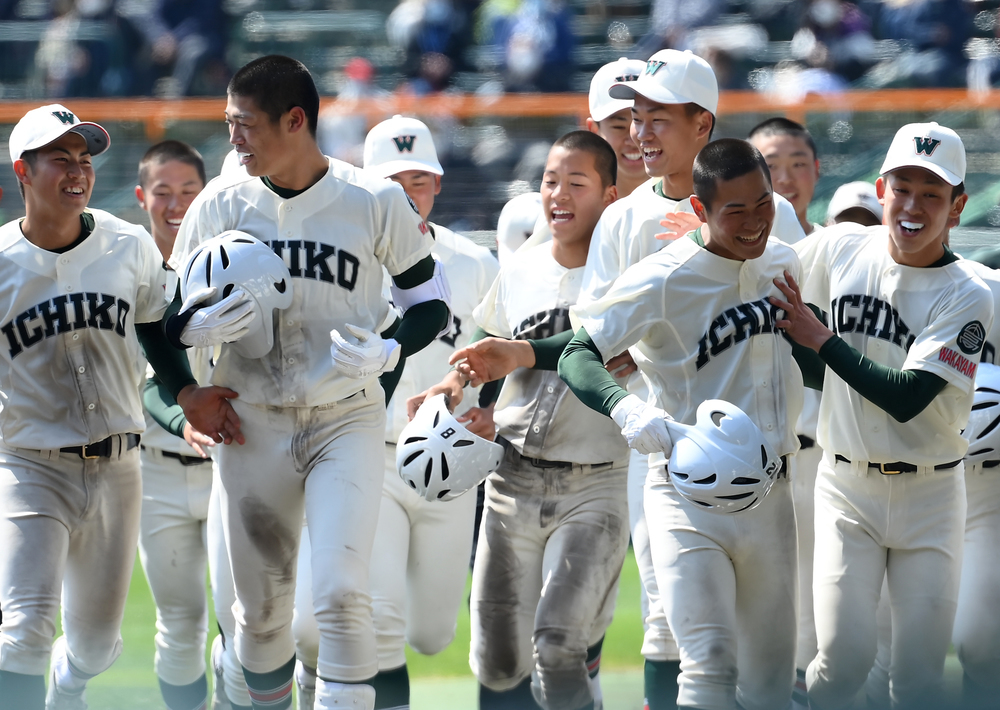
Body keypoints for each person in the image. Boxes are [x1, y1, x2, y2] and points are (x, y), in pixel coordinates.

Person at [165, 55, 449, 710]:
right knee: (260, 619)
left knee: (343, 594)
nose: (234, 140)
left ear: (296, 121)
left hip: (342, 416)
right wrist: (194, 333)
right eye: (229, 123)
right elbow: (167, 316)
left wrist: (391, 349)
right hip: (251, 421)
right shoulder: (220, 201)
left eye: (246, 125)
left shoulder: (372, 199)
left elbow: (428, 304)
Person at [0, 104, 235, 710]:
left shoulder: (127, 245)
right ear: (23, 172)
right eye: (60, 159)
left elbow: (157, 332)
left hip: (118, 466)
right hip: (29, 466)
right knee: (24, 627)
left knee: (96, 644)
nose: (77, 171)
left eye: (84, 160)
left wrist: (185, 393)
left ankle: (69, 683)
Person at [559, 138, 804, 710]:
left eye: (763, 203)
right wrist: (627, 407)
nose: (754, 222)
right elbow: (578, 353)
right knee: (708, 663)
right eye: (734, 210)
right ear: (699, 210)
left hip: (773, 494)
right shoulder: (662, 277)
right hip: (684, 494)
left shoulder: (783, 262)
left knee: (769, 685)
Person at [774, 122, 993, 710]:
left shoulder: (968, 292)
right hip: (846, 489)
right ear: (880, 188)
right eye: (902, 187)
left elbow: (906, 395)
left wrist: (821, 341)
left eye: (932, 192)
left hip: (932, 497)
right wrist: (702, 240)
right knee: (842, 663)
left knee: (917, 681)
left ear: (958, 206)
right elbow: (765, 275)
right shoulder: (843, 247)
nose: (914, 205)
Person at [413, 130, 629, 710]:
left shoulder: (630, 275)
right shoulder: (523, 266)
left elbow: (606, 351)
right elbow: (488, 343)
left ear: (610, 196)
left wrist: (521, 353)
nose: (557, 194)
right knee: (498, 663)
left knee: (559, 645)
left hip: (596, 479)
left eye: (575, 183)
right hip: (512, 479)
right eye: (550, 182)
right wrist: (455, 383)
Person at [290, 114, 500, 710]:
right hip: (371, 456)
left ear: (437, 185)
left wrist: (485, 407)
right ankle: (333, 682)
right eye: (395, 180)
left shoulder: (473, 263)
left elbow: (500, 349)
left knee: (432, 633)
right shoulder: (344, 258)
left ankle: (325, 676)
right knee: (378, 625)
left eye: (421, 180)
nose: (410, 193)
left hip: (450, 462)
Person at [133, 139, 222, 710]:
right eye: (162, 192)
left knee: (248, 624)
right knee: (179, 622)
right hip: (156, 471)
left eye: (188, 191)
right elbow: (145, 382)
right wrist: (181, 417)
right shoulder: (124, 267)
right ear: (141, 197)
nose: (175, 204)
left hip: (228, 467)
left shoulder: (228, 263)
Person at [493, 56, 647, 265]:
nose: (634, 137)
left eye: (643, 122)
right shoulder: (563, 215)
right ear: (594, 130)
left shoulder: (694, 206)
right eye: (619, 126)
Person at [748, 117, 821, 236]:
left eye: (798, 164)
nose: (785, 179)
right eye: (770, 166)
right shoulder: (730, 253)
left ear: (816, 170)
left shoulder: (835, 249)